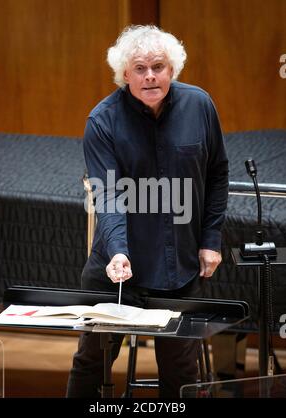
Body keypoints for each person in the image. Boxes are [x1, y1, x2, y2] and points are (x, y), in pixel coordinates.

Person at [67, 25, 228, 398]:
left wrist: (211, 240)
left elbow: (218, 174)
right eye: (140, 68)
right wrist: (118, 250)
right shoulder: (103, 121)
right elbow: (107, 196)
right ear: (125, 74)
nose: (150, 76)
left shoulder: (200, 105)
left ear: (173, 70)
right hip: (117, 267)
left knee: (180, 370)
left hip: (181, 268)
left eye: (158, 66)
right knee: (92, 362)